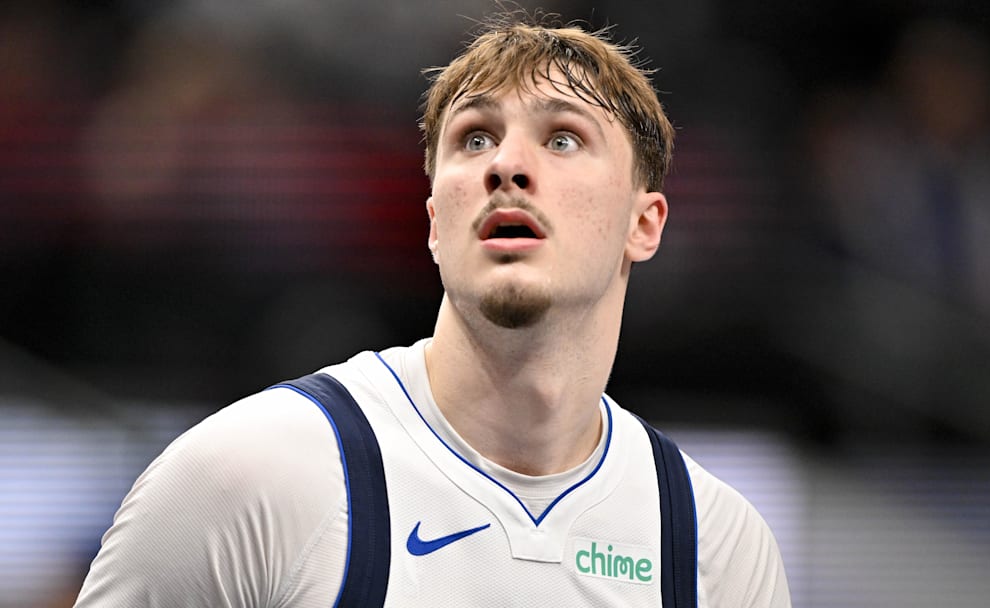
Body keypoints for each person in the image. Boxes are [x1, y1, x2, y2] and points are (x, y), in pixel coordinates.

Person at [74, 11, 791, 607]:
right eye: (474, 137)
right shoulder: (250, 475)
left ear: (646, 223)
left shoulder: (714, 544)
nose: (505, 165)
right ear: (434, 222)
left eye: (563, 138)